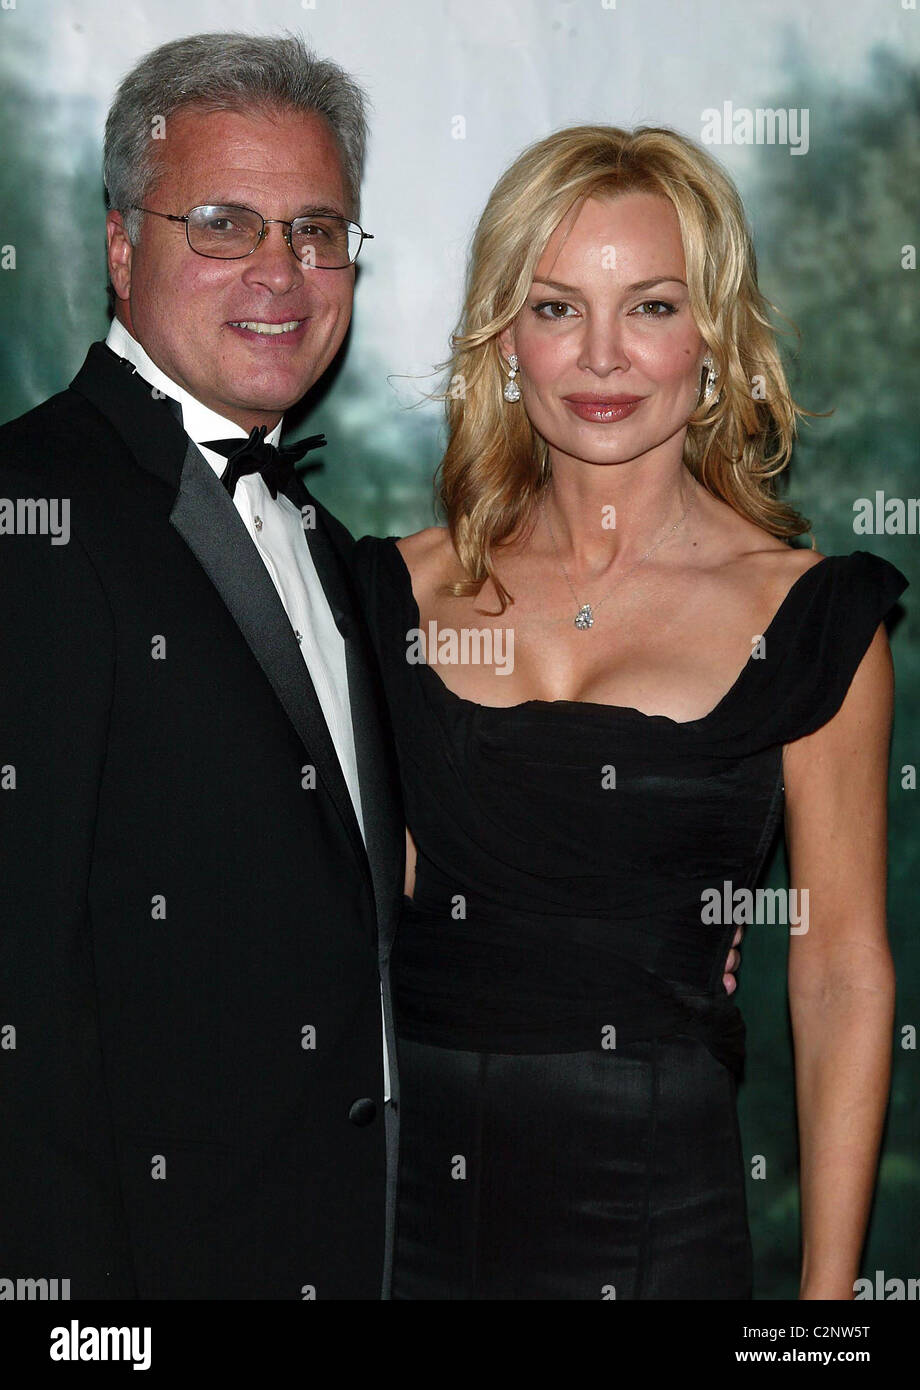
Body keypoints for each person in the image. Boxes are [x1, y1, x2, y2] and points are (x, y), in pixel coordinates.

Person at [353, 124, 908, 1299]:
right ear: (503, 336)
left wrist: (824, 1310)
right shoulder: (384, 590)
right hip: (398, 1220)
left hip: (657, 1224)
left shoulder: (811, 622)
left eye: (649, 306)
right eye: (555, 308)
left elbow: (839, 970)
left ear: (711, 333)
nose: (602, 356)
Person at [0, 33, 405, 1299]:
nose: (281, 272)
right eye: (225, 224)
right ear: (122, 248)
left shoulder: (336, 552)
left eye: (317, 230)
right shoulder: (34, 510)